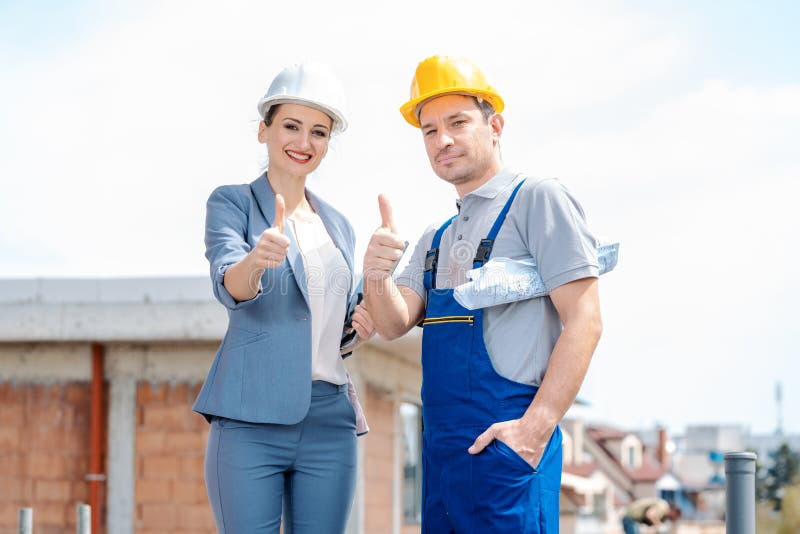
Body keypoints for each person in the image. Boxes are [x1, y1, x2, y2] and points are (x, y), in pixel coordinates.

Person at [362, 55, 603, 532]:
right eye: (429, 130)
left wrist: (535, 431)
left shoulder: (538, 199)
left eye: (457, 122)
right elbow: (392, 324)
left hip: (507, 453)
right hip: (443, 459)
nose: (442, 140)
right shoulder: (437, 236)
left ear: (495, 124)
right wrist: (376, 272)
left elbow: (586, 320)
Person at [192, 62, 374, 533]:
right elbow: (229, 283)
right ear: (264, 131)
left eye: (319, 132)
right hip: (250, 418)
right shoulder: (231, 203)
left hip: (329, 420)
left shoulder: (340, 225)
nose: (303, 142)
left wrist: (358, 323)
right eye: (291, 126)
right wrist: (256, 261)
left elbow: (329, 323)